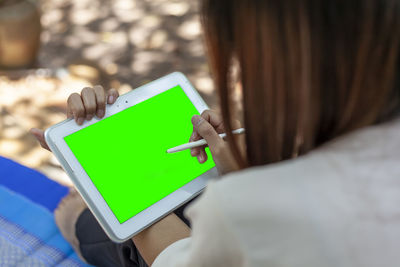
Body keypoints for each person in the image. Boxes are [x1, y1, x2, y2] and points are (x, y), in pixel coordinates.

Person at [31, 0, 400, 266]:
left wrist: (113, 182)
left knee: (103, 230)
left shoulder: (243, 210)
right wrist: (243, 169)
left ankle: (83, 226)